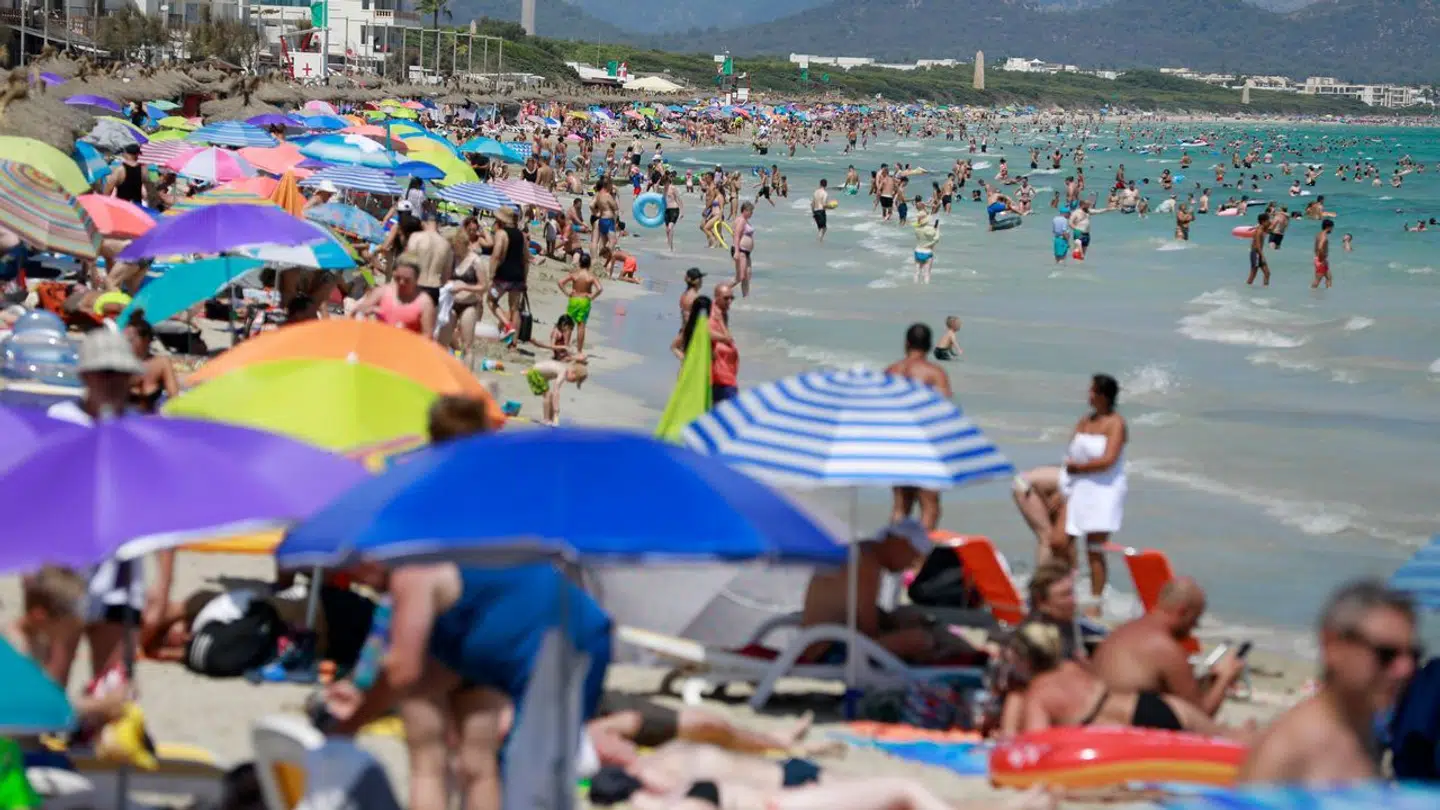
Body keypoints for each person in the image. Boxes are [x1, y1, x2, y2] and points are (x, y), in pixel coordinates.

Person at [44, 330, 181, 683]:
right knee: (50, 685)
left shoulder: (143, 433)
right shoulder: (61, 422)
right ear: (85, 375)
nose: (115, 382)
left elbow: (162, 510)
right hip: (64, 571)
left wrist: (162, 586)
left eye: (122, 373)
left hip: (120, 575)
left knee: (113, 692)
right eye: (106, 372)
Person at [1240, 581, 1420, 784]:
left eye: (1413, 655)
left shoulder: (1359, 734)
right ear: (1332, 646)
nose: (1405, 669)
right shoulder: (1290, 751)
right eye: (1386, 655)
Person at [1011, 622, 1237, 737]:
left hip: (1134, 728)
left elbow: (1035, 746)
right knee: (1232, 739)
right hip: (1154, 704)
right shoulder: (1075, 667)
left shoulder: (1039, 694)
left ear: (1024, 660)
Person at [1090, 577, 1245, 717]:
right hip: (1125, 731)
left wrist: (1211, 681)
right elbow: (1199, 716)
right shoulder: (1165, 648)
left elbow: (1173, 692)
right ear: (1183, 612)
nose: (1195, 626)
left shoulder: (1124, 631)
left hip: (1103, 718)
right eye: (1195, 618)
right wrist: (1225, 678)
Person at [798, 521, 944, 664]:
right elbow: (869, 631)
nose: (911, 564)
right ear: (900, 543)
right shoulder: (866, 563)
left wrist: (894, 621)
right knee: (921, 640)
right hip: (829, 650)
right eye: (914, 556)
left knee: (906, 619)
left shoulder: (861, 552)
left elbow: (854, 611)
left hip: (824, 642)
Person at [1059, 374, 1127, 611]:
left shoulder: (1115, 423)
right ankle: (1068, 588)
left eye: (1092, 390)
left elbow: (1109, 460)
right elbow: (1072, 450)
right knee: (1062, 541)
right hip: (1079, 486)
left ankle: (1096, 601)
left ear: (1102, 395)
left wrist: (1079, 468)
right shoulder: (1085, 421)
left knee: (1094, 548)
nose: (1088, 394)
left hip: (1104, 489)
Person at [995, 561, 1085, 736]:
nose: (1073, 601)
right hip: (1028, 710)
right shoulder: (1032, 637)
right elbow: (1015, 689)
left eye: (1072, 593)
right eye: (1065, 595)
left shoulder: (1066, 624)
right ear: (1042, 602)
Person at [885, 324, 953, 530]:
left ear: (906, 343)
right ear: (930, 346)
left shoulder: (891, 371)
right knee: (930, 507)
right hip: (924, 444)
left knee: (901, 506)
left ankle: (894, 556)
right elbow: (944, 410)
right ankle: (919, 560)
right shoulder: (934, 374)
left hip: (897, 444)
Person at [353, 256, 436, 337]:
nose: (401, 282)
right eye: (398, 278)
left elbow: (427, 337)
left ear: (417, 279)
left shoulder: (424, 302)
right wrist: (367, 312)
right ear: (394, 273)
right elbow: (357, 312)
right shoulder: (383, 291)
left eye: (407, 280)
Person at [122, 312, 179, 413]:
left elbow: (174, 397)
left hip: (151, 419)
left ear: (146, 340)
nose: (125, 343)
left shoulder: (161, 363)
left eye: (130, 339)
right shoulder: (120, 364)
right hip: (123, 420)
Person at [488, 207, 529, 339]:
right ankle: (513, 343)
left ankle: (507, 325)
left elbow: (496, 255)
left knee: (490, 301)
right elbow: (526, 258)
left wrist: (491, 275)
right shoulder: (522, 235)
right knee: (514, 308)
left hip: (503, 275)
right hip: (518, 275)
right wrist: (525, 278)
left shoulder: (501, 234)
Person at [1011, 467, 1066, 565]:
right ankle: (1044, 577)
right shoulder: (1075, 484)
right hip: (1025, 485)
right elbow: (1038, 484)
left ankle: (1055, 573)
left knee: (1057, 536)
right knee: (1046, 537)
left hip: (1030, 483)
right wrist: (1048, 502)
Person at [557, 252, 602, 353]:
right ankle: (579, 350)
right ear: (589, 264)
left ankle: (566, 345)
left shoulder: (575, 274)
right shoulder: (590, 276)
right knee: (581, 326)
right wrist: (591, 296)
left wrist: (567, 292)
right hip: (584, 301)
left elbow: (560, 282)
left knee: (569, 324)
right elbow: (599, 289)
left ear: (579, 263)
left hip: (574, 299)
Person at [406, 212, 455, 306]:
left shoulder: (416, 237)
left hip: (417, 284)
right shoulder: (446, 244)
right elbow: (447, 274)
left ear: (423, 223)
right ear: (438, 225)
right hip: (434, 287)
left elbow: (407, 262)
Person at [526, 358, 588, 426]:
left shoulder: (566, 367)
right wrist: (556, 411)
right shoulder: (563, 372)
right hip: (535, 373)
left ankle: (551, 419)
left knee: (551, 396)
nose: (571, 382)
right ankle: (546, 419)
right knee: (548, 395)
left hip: (539, 374)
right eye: (574, 380)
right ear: (573, 372)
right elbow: (556, 391)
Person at [709, 283, 740, 403]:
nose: (730, 301)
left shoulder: (722, 313)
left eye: (732, 298)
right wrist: (725, 338)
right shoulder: (712, 315)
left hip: (726, 374)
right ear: (716, 297)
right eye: (726, 298)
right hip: (720, 377)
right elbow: (705, 332)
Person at [732, 202, 756, 298]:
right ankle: (722, 290)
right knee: (740, 277)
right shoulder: (741, 220)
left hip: (746, 252)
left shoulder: (745, 220)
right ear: (745, 210)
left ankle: (746, 298)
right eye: (751, 211)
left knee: (747, 276)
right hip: (740, 251)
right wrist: (737, 251)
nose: (752, 213)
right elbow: (736, 235)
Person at [913, 210, 939, 284]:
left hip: (917, 251)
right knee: (927, 274)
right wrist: (937, 230)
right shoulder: (931, 229)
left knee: (916, 272)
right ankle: (925, 291)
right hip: (927, 252)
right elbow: (936, 239)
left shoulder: (916, 229)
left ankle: (915, 288)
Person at [1247, 213, 1271, 287]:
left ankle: (1265, 290)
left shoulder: (1262, 228)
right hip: (1256, 253)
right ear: (1263, 222)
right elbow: (1257, 245)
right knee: (1253, 274)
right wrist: (1262, 256)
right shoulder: (1259, 231)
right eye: (1268, 220)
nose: (1269, 222)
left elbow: (1270, 227)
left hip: (1258, 253)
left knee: (1267, 273)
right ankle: (1246, 290)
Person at [663, 175, 683, 251]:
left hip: (674, 209)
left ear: (668, 181)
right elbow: (663, 201)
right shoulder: (664, 189)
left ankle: (670, 247)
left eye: (666, 182)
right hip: (667, 211)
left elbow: (679, 199)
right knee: (667, 230)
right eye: (663, 183)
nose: (665, 184)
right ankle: (670, 246)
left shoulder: (673, 188)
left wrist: (682, 212)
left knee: (670, 228)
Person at [1313, 218, 1334, 289]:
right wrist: (1322, 259)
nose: (1332, 230)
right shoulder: (1324, 237)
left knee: (1329, 277)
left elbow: (1316, 247)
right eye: (1332, 228)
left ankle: (1329, 293)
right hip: (1320, 260)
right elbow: (1319, 247)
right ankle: (1311, 295)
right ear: (1328, 227)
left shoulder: (1319, 234)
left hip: (1318, 259)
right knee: (1317, 280)